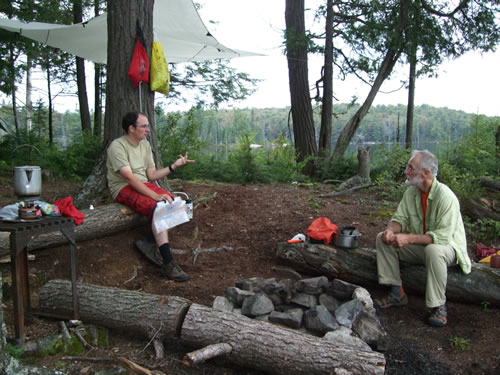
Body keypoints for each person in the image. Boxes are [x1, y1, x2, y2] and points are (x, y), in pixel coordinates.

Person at [374, 150, 471, 327]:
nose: (406, 171)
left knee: (434, 250)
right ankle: (397, 293)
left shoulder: (446, 197)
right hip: (423, 247)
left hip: (448, 248)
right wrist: (390, 230)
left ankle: (438, 306)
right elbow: (399, 219)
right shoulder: (411, 193)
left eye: (410, 168)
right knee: (382, 239)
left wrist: (408, 239)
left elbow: (441, 238)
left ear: (425, 173)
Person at [106, 111, 194, 282]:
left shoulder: (145, 144)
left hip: (144, 184)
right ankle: (168, 263)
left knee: (181, 206)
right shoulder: (117, 146)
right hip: (123, 187)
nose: (148, 129)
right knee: (161, 208)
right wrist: (155, 195)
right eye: (144, 126)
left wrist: (174, 166)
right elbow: (129, 178)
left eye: (148, 125)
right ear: (131, 128)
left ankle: (150, 241)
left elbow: (152, 175)